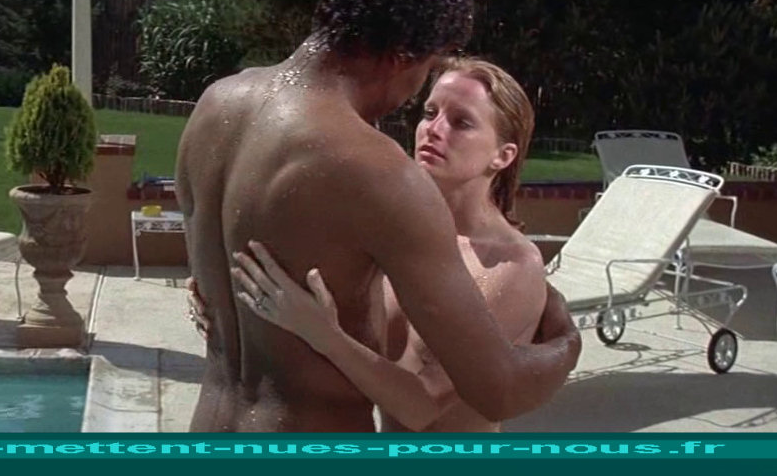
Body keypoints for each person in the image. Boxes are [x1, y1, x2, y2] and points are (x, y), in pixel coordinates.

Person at [176, 0, 580, 433]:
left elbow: (212, 286)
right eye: (428, 71)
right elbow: (497, 388)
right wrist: (566, 341)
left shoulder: (214, 106)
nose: (419, 106)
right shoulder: (376, 171)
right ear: (403, 56)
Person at [202, 57, 548, 432]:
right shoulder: (391, 234)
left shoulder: (512, 267)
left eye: (461, 122)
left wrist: (324, 336)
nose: (433, 130)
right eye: (430, 113)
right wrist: (225, 304)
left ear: (502, 155)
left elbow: (421, 408)